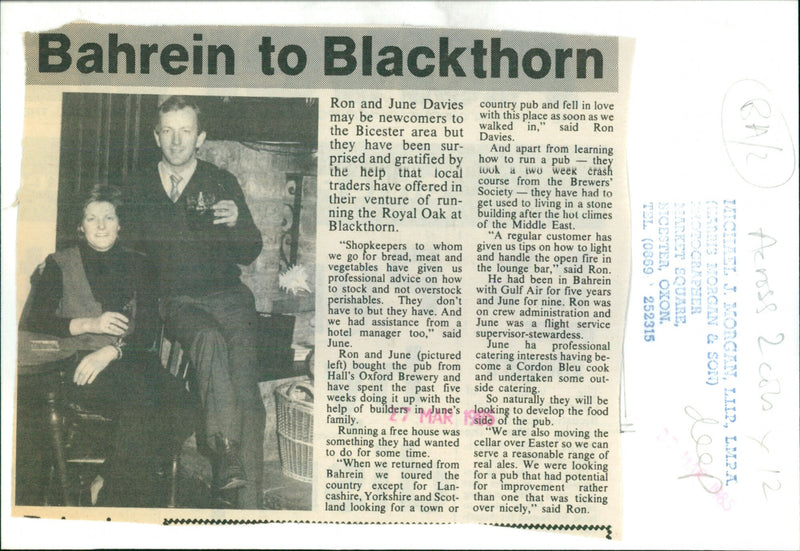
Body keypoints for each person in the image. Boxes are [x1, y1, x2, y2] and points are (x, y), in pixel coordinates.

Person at [125, 96, 265, 509]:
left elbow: (250, 250)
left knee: (248, 399)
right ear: (156, 135)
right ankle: (224, 454)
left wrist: (237, 222)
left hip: (230, 297)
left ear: (200, 137)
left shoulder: (220, 182)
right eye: (167, 130)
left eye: (185, 131)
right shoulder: (137, 186)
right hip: (178, 299)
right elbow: (128, 256)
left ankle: (249, 511)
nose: (176, 140)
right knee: (206, 339)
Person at [21, 185, 194, 507]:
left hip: (132, 359)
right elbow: (36, 322)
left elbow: (148, 329)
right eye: (91, 218)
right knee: (144, 402)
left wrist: (113, 350)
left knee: (186, 407)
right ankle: (116, 503)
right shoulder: (59, 263)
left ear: (119, 224)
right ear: (80, 225)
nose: (100, 225)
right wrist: (89, 324)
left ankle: (109, 478)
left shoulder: (141, 264)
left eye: (108, 217)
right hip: (81, 364)